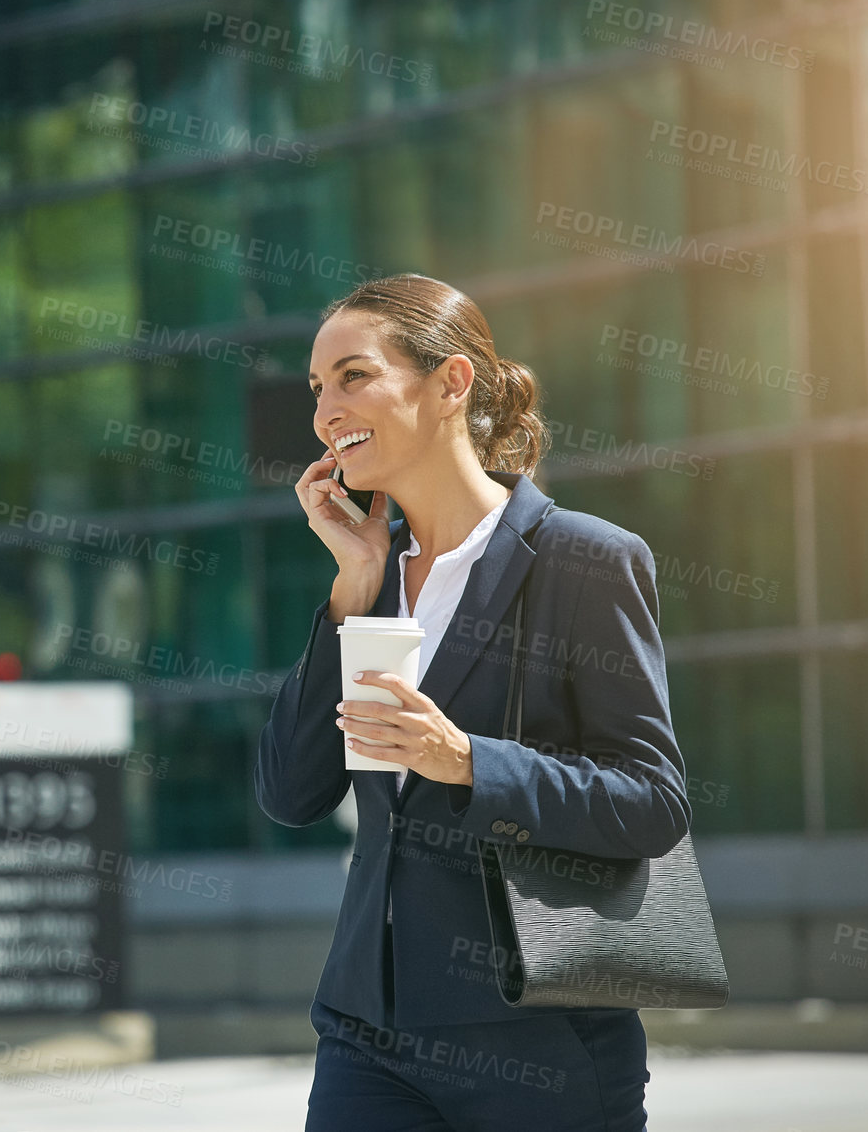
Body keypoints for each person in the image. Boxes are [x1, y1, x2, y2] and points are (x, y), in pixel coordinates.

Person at [256, 274, 690, 1131]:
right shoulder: (368, 581)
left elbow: (653, 801)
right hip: (365, 1031)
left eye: (352, 376)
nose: (324, 412)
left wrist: (465, 761)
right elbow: (290, 794)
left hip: (536, 1038)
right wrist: (349, 591)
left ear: (450, 383)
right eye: (316, 388)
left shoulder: (583, 561)